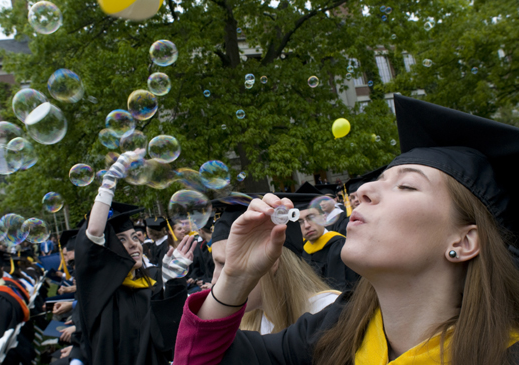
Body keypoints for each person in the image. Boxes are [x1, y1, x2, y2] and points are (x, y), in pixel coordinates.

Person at [173, 94, 519, 365]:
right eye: (377, 180)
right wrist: (235, 278)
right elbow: (202, 359)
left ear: (465, 240)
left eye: (407, 186)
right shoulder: (328, 337)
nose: (362, 191)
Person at [74, 152, 195, 365]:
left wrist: (172, 285)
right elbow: (93, 233)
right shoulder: (98, 291)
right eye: (122, 239)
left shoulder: (152, 283)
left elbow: (170, 344)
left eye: (134, 237)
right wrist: (110, 181)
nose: (134, 244)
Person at [209, 202, 340, 335]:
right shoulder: (249, 323)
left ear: (270, 262)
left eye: (225, 264)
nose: (213, 281)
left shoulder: (331, 315)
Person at [298, 205, 360, 291]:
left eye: (311, 218)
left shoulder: (339, 246)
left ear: (324, 218)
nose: (306, 225)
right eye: (300, 222)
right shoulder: (302, 250)